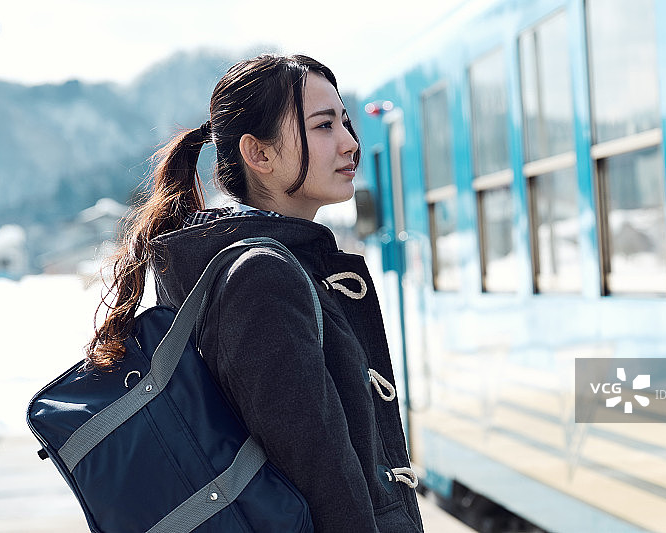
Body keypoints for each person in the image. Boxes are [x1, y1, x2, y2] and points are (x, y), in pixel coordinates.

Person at [87, 54, 424, 532]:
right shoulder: (262, 279)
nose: (350, 143)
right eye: (324, 126)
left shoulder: (256, 265)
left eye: (346, 122)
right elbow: (323, 480)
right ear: (260, 155)